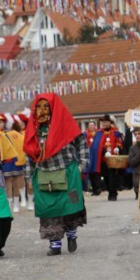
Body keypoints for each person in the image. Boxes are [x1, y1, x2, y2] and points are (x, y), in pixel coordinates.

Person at [24, 93, 89, 256]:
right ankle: (55, 244)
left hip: (68, 174)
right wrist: (28, 177)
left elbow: (82, 142)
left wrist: (82, 165)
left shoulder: (66, 125)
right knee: (48, 210)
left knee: (72, 206)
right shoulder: (34, 131)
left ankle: (72, 235)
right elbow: (29, 154)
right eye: (38, 107)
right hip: (44, 176)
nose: (42, 111)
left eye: (46, 107)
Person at [88, 115, 124, 199]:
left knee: (112, 176)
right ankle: (109, 189)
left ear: (110, 122)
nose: (103, 124)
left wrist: (117, 148)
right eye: (102, 122)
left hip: (113, 159)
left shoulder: (116, 132)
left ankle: (113, 193)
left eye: (105, 122)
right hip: (103, 160)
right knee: (106, 177)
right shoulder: (99, 133)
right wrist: (104, 152)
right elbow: (96, 146)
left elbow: (120, 143)